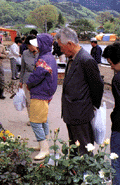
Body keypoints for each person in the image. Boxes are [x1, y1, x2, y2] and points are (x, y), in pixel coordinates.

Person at [55, 27, 104, 156]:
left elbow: (97, 86)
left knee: (84, 151)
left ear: (70, 44)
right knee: (75, 150)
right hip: (72, 114)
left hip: (81, 114)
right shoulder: (73, 58)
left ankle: (87, 175)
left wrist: (91, 107)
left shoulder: (86, 60)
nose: (61, 50)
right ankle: (75, 174)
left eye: (61, 46)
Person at [26, 33, 58, 160]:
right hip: (46, 93)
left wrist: (28, 84)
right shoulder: (49, 57)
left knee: (35, 121)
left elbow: (36, 77)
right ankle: (43, 145)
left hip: (40, 93)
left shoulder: (43, 59)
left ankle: (44, 148)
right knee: (43, 119)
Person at [102, 43, 120, 185]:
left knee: (116, 161)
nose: (111, 67)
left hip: (119, 127)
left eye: (111, 63)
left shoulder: (118, 79)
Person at [19, 35, 38, 126]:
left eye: (31, 45)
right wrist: (20, 80)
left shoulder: (41, 53)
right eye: (28, 46)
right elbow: (22, 68)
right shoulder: (25, 53)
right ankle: (32, 119)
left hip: (39, 79)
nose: (30, 48)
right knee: (29, 100)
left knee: (38, 100)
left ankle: (39, 118)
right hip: (27, 79)